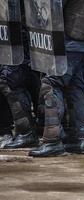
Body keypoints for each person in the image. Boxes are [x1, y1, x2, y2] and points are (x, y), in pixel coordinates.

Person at [29, 0, 84, 157]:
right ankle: (76, 139)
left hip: (67, 39)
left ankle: (52, 141)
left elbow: (52, 6)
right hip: (82, 40)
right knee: (75, 88)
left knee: (50, 83)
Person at [0, 2, 39, 149]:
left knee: (10, 80)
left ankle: (27, 132)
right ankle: (9, 131)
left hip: (17, 33)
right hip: (9, 31)